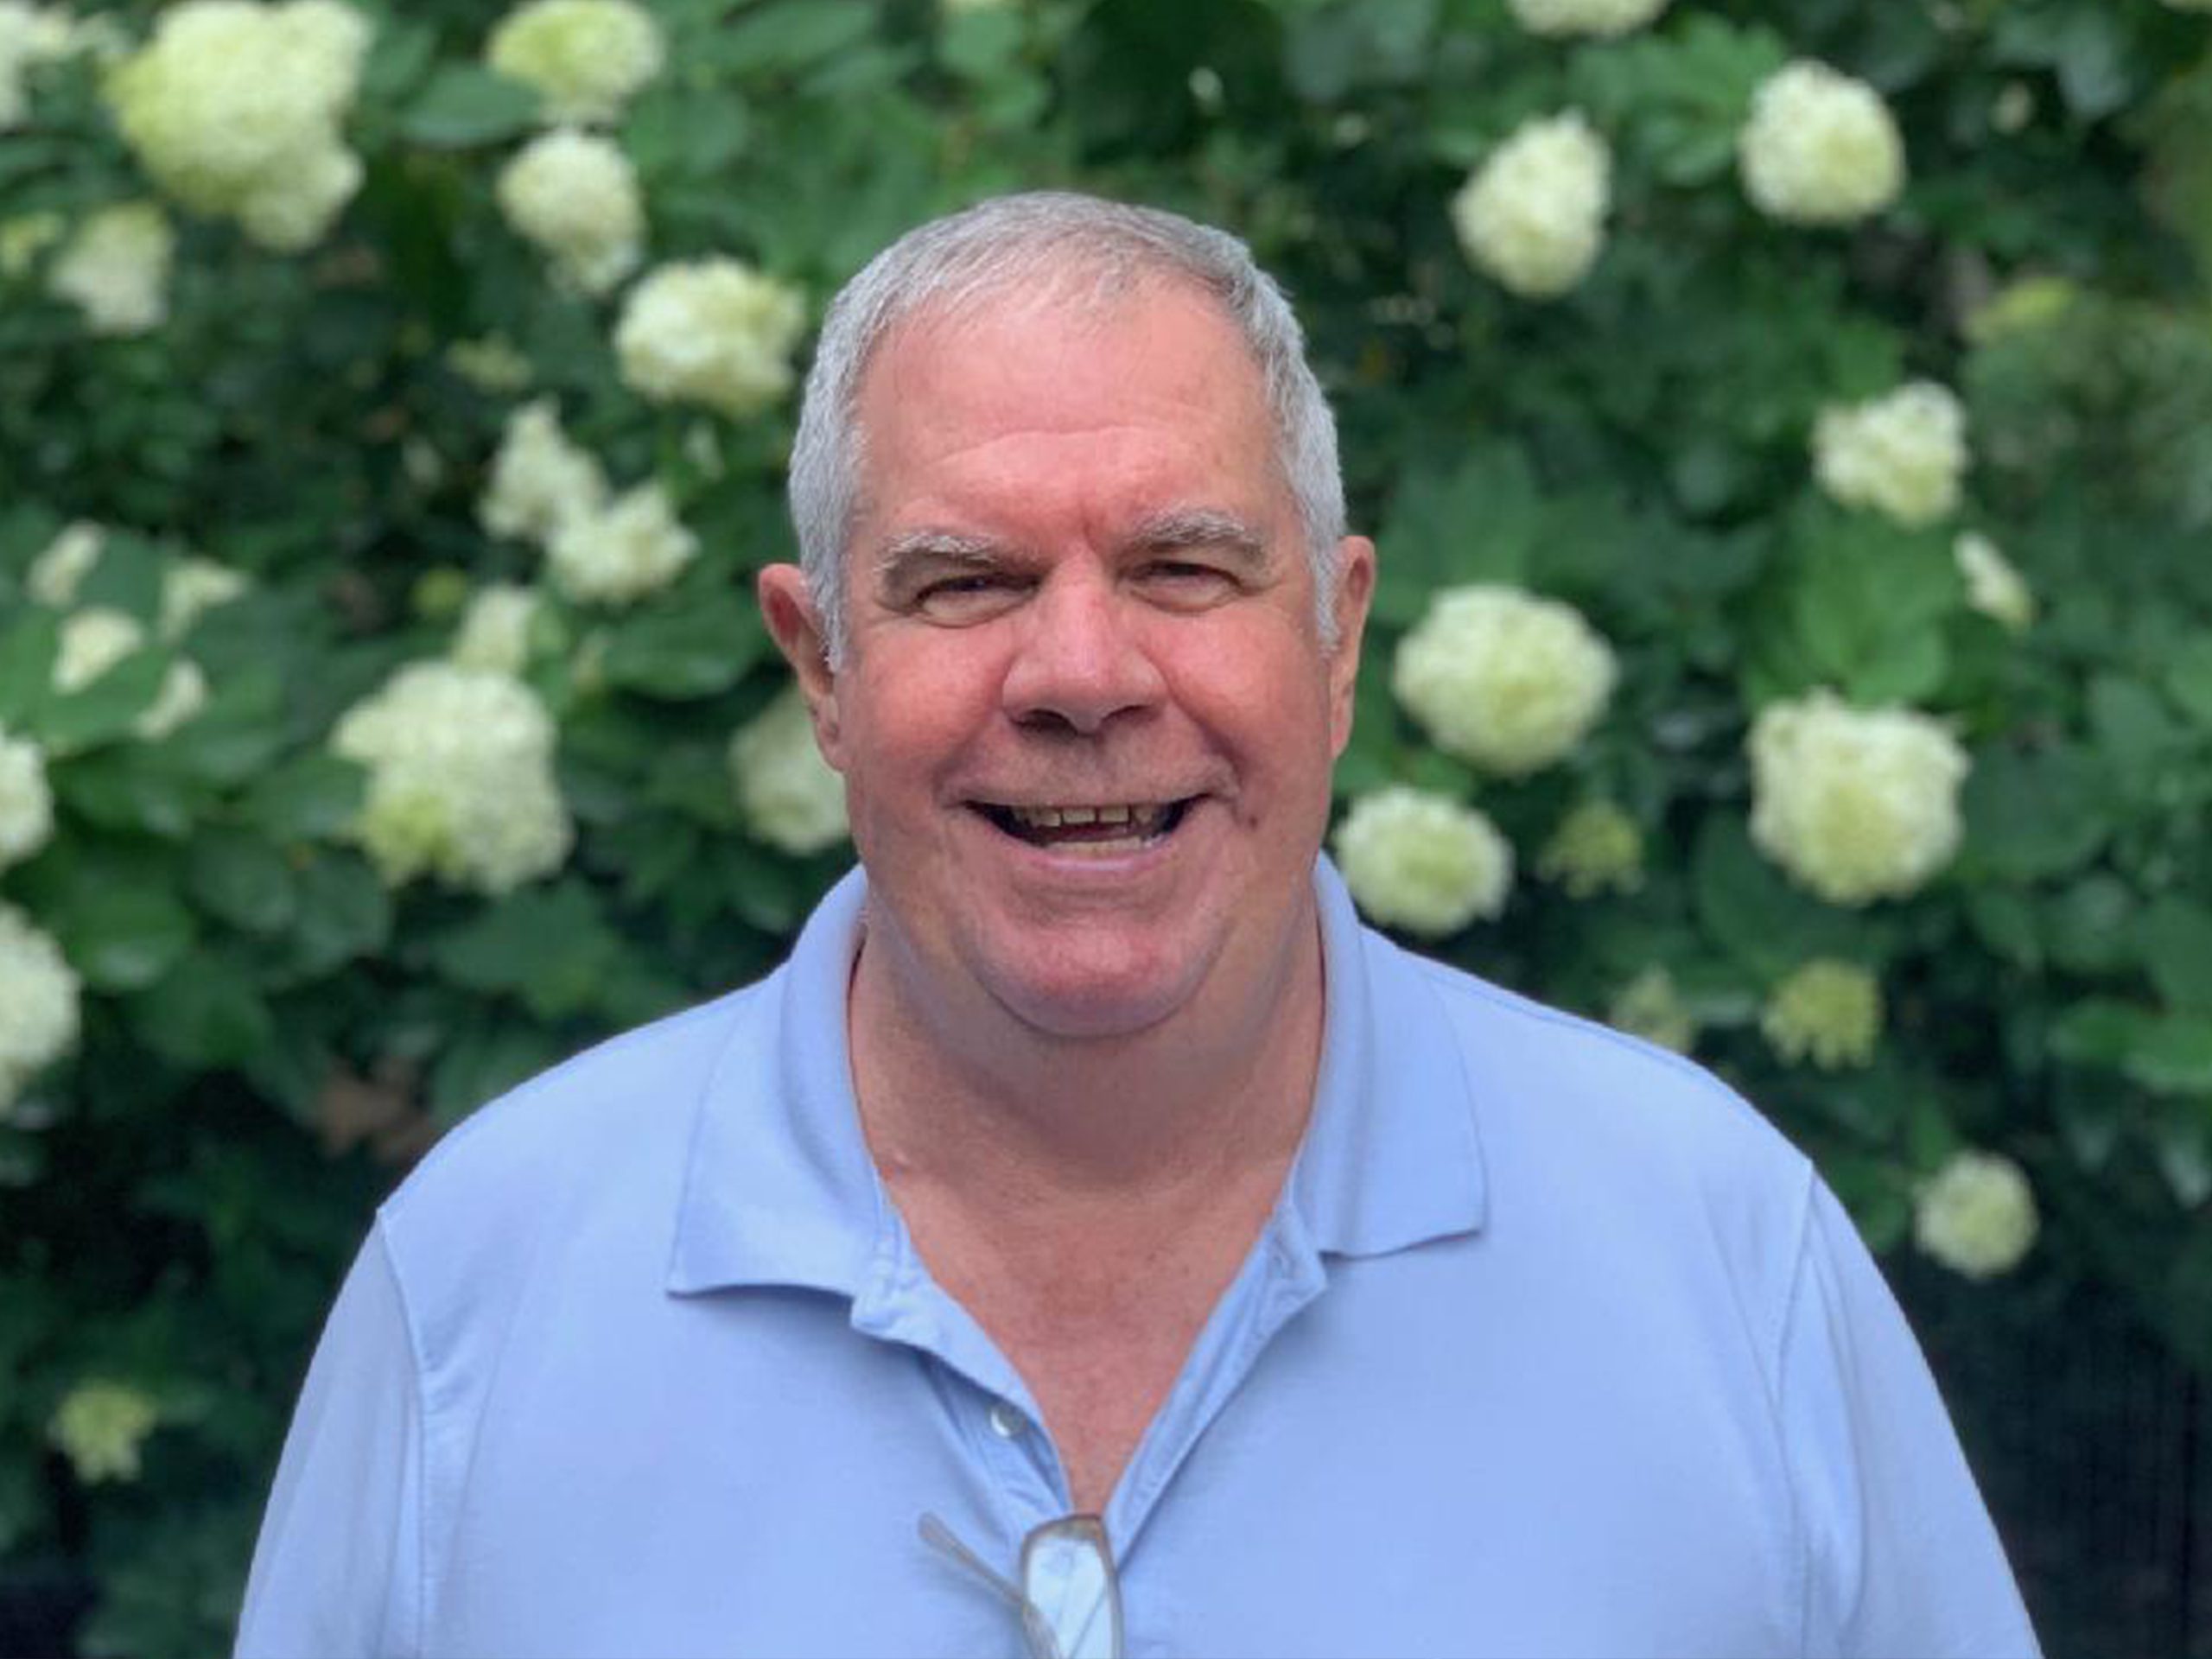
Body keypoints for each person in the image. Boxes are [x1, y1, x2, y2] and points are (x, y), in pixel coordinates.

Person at [236, 192, 2040, 1659]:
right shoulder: (483, 1282)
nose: (1083, 673)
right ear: (821, 670)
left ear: (1335, 641)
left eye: (1184, 568)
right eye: (967, 581)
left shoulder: (1718, 1253)